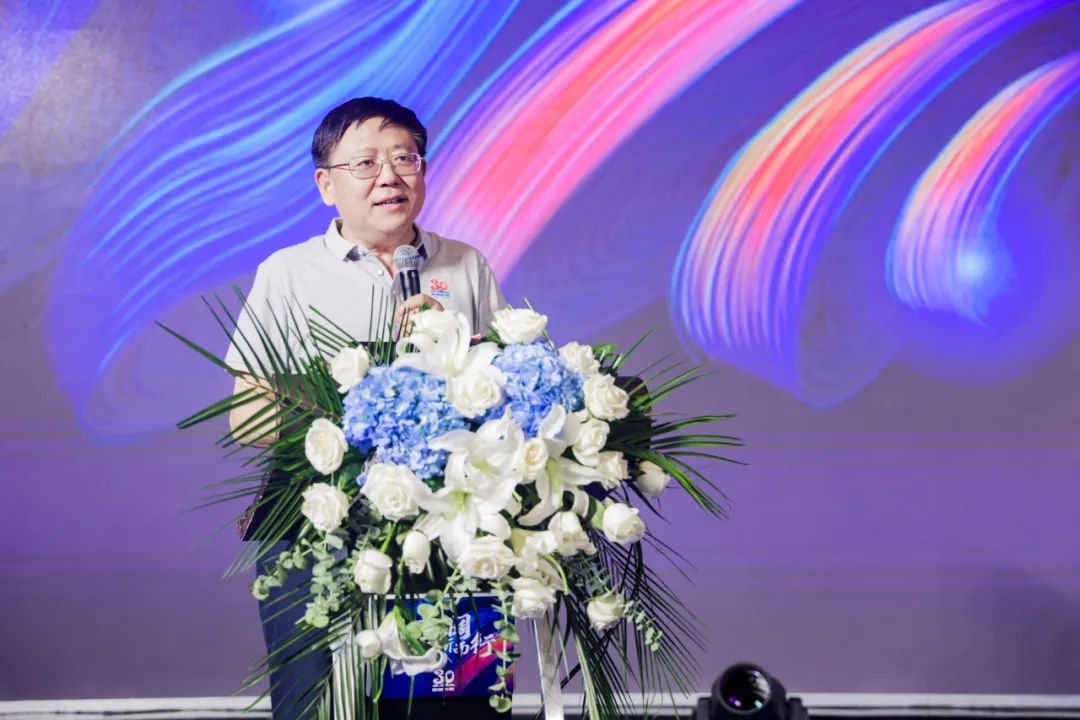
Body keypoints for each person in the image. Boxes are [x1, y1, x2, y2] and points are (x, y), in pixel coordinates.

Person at [224, 97, 506, 719]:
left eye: (405, 158)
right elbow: (246, 418)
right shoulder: (290, 274)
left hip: (447, 528)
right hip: (321, 529)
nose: (389, 177)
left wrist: (452, 356)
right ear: (326, 185)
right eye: (365, 163)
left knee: (453, 703)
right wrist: (358, 405)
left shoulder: (465, 264)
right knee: (324, 704)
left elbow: (508, 395)